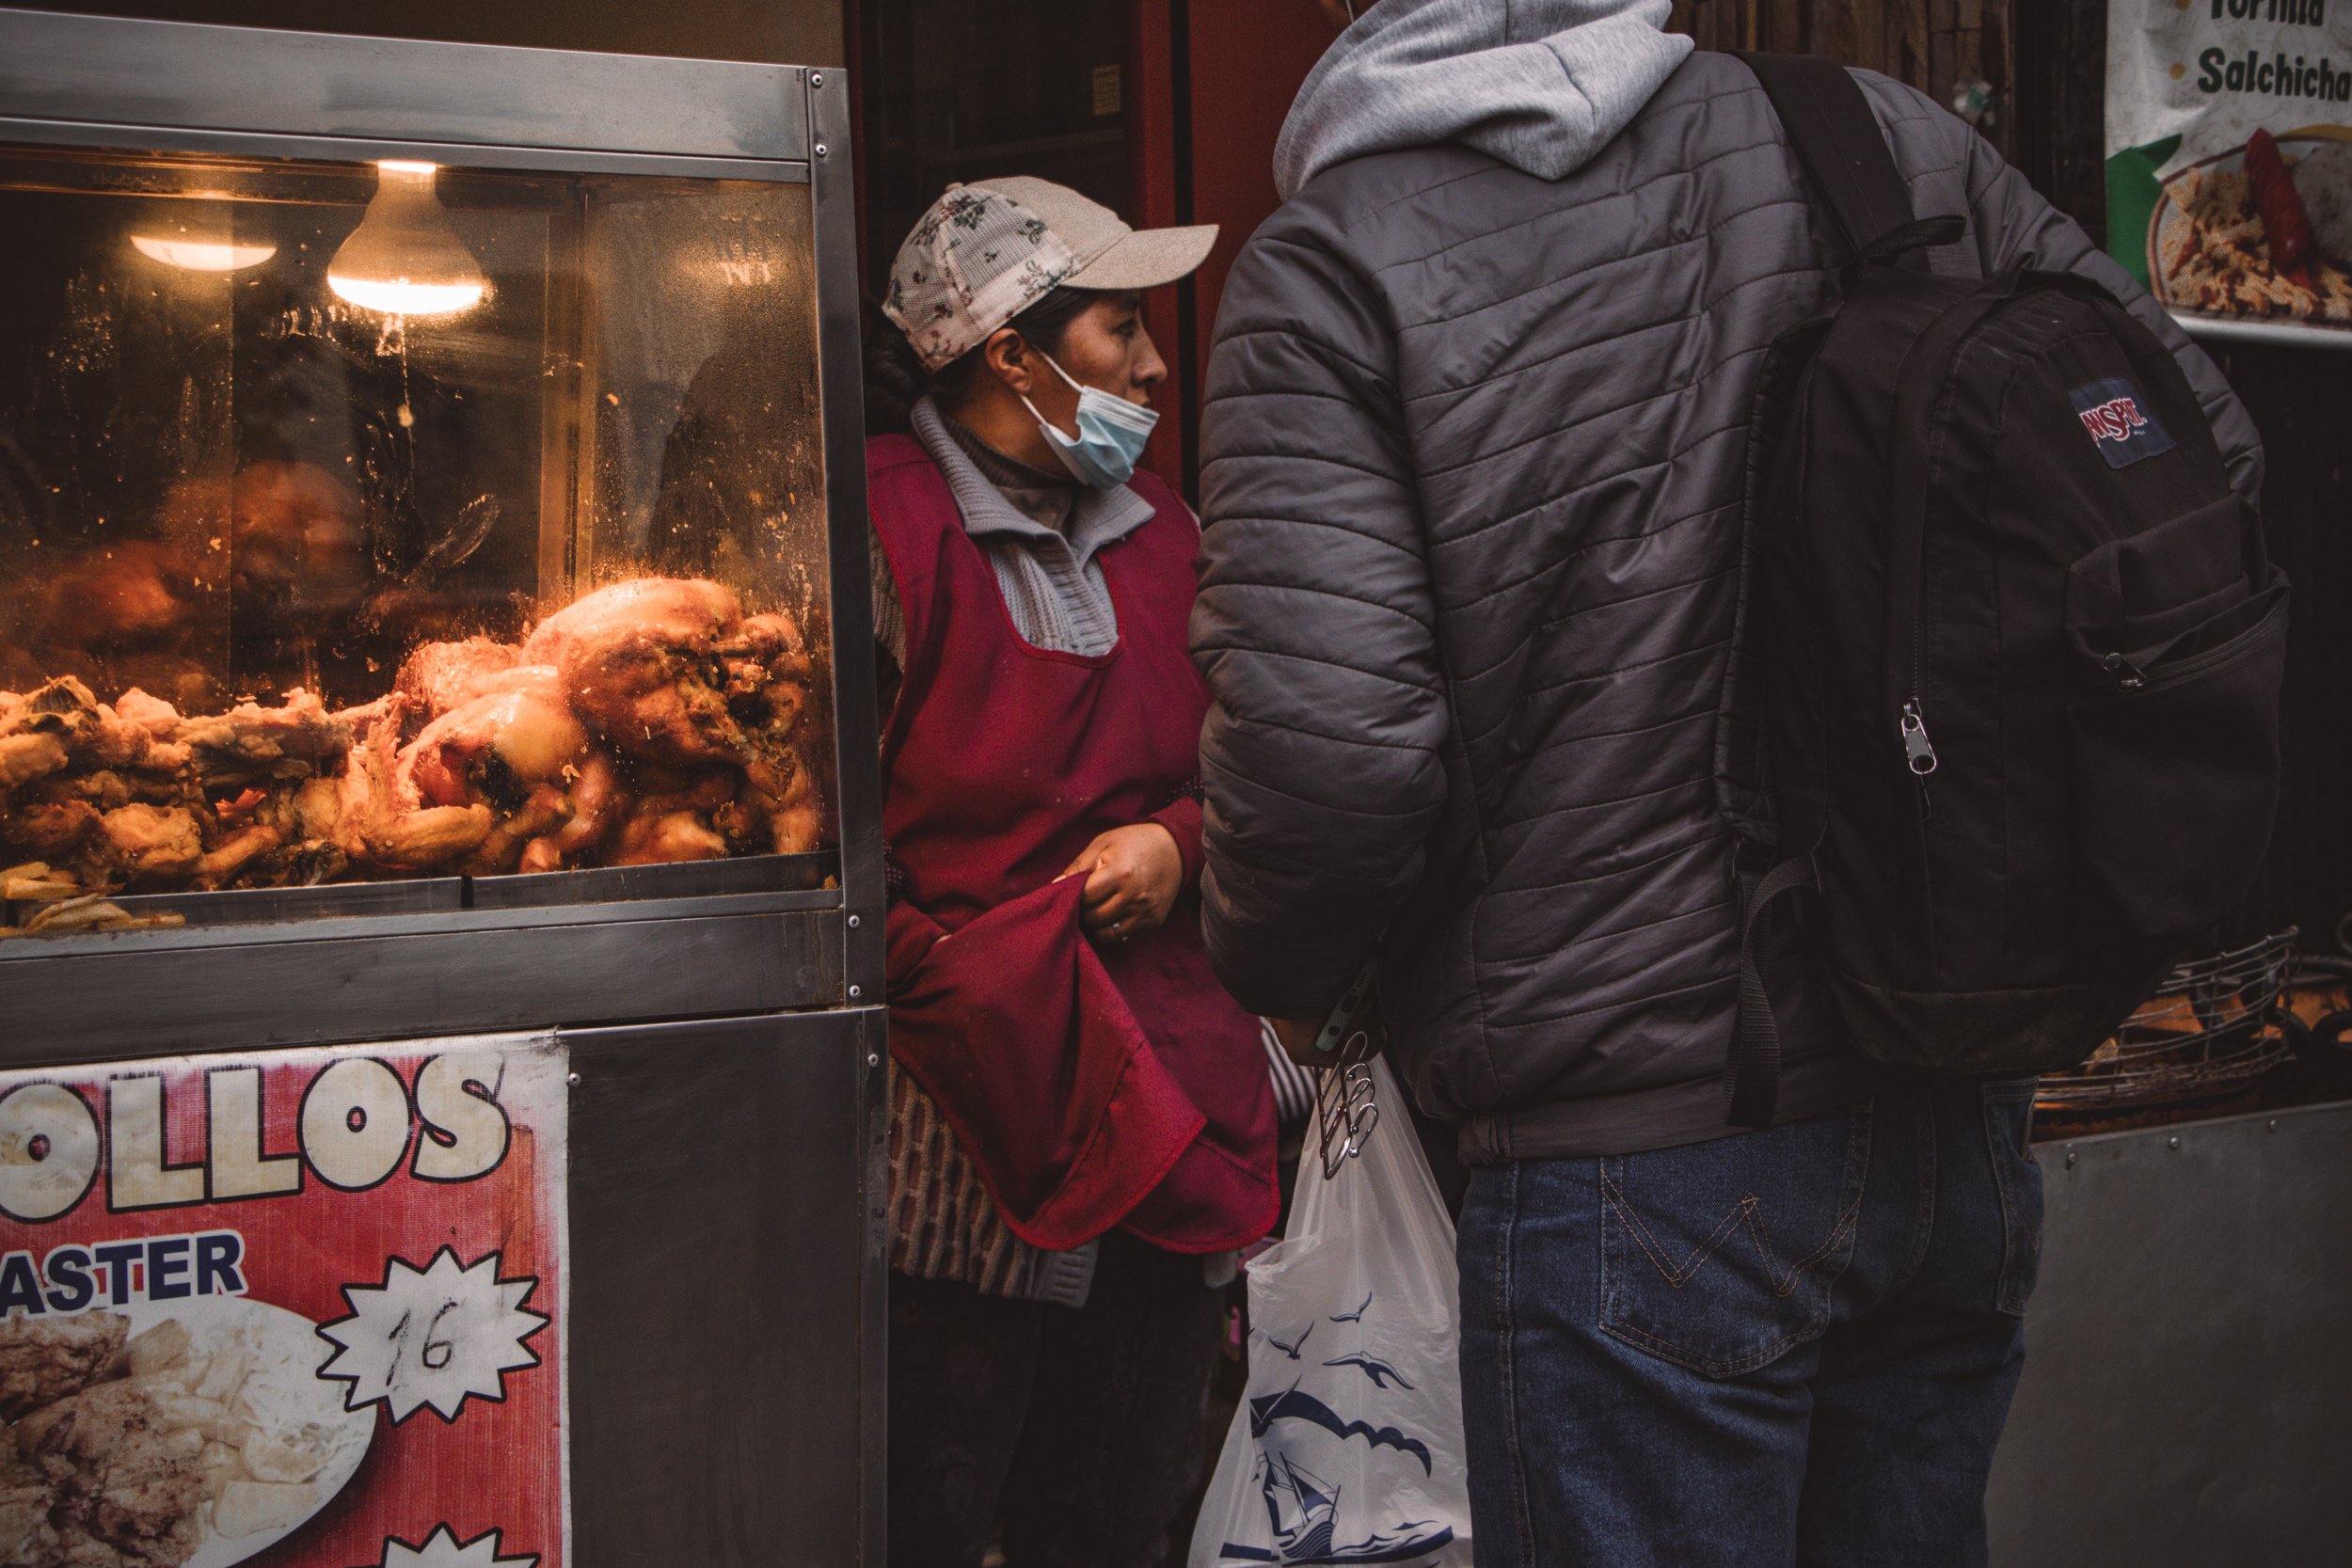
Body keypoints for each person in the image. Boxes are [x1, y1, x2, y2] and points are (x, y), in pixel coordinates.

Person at [1192, 4, 2262, 1566]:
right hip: (1947, 1097)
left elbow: (1329, 764)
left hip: (1625, 1154)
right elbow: (2197, 462)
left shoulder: (1332, 264)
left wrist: (1283, 984)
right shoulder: (1876, 139)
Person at [862, 177, 1279, 1568]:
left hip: (1168, 1100)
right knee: (926, 1509)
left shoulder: (1173, 528)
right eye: (1119, 327)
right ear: (1008, 352)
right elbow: (824, 839)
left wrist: (1185, 844)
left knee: (1118, 1514)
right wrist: (959, 981)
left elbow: (1269, 756)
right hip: (952, 1145)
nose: (1156, 362)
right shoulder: (875, 533)